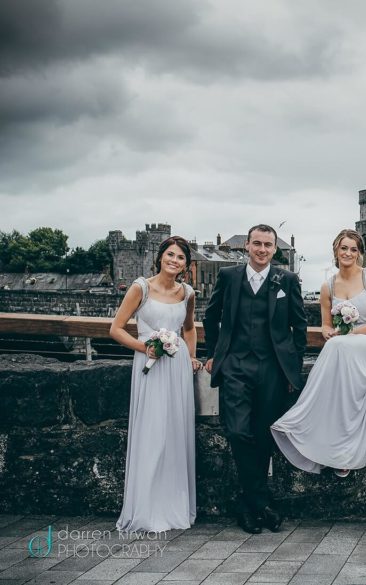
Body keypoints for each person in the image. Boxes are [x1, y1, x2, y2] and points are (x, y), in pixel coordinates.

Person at [203, 224, 307, 535]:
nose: (262, 250)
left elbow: (299, 327)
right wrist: (212, 353)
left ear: (275, 249)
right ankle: (261, 502)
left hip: (272, 369)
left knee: (264, 436)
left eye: (268, 245)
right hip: (235, 366)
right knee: (237, 432)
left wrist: (293, 368)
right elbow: (210, 316)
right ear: (247, 246)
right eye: (257, 244)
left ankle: (248, 506)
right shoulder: (229, 277)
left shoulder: (287, 280)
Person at [271, 230, 366, 477]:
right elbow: (326, 324)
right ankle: (322, 438)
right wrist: (327, 332)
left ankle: (302, 414)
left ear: (360, 253)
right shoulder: (328, 286)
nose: (348, 253)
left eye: (353, 249)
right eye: (344, 248)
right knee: (337, 350)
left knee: (338, 346)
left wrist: (353, 334)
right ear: (336, 250)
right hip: (345, 347)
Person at [109, 235, 200, 533]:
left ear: (186, 264)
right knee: (152, 432)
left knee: (174, 432)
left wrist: (191, 358)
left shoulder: (187, 293)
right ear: (160, 256)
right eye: (170, 255)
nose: (174, 260)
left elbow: (188, 329)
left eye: (180, 257)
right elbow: (116, 329)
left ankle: (172, 505)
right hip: (149, 364)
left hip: (177, 369)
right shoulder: (141, 288)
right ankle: (146, 507)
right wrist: (144, 347)